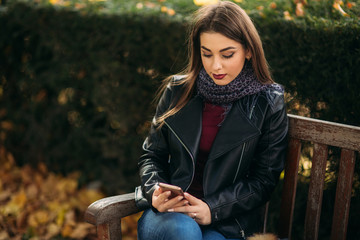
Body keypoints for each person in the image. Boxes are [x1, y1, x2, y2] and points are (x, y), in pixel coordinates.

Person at [135, 1, 288, 239]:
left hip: (225, 222)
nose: (215, 65)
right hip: (169, 216)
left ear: (248, 50)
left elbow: (263, 181)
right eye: (207, 54)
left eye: (227, 54)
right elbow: (152, 156)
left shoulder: (268, 102)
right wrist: (155, 191)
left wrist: (212, 209)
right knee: (182, 231)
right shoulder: (177, 90)